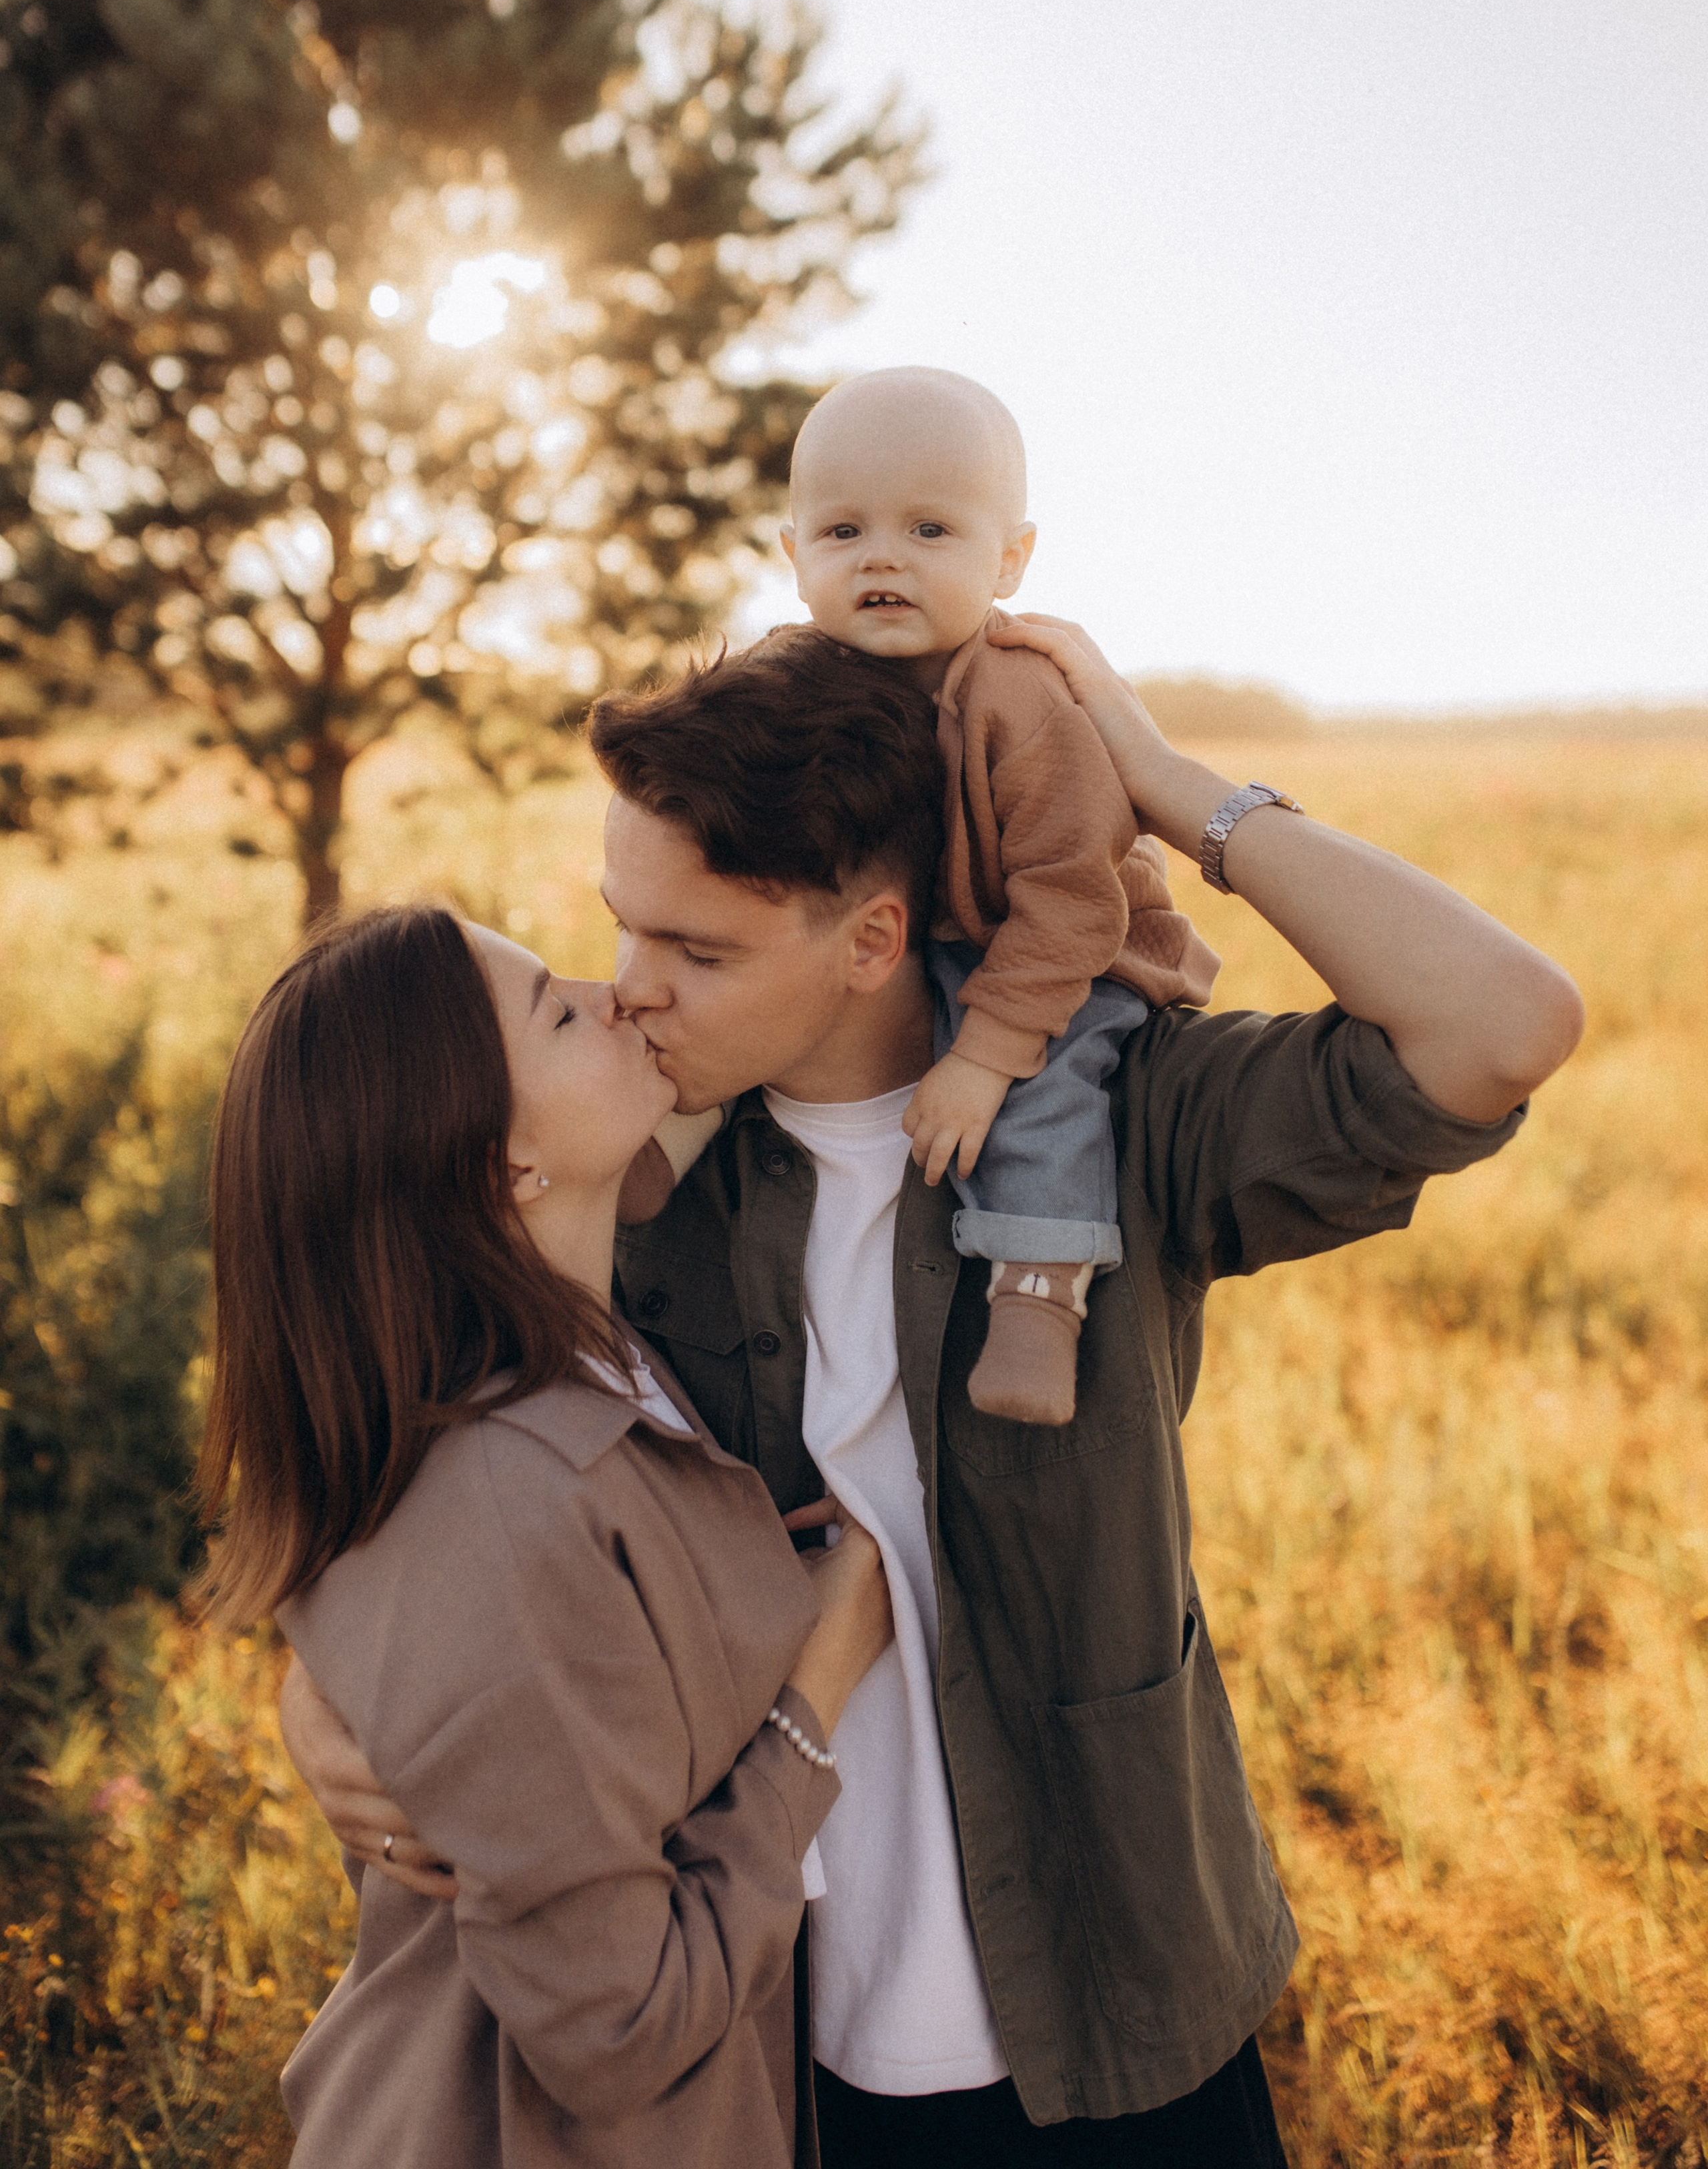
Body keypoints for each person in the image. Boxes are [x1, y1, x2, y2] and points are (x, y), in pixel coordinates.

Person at [284, 623, 1583, 2166]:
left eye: (696, 953)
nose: (631, 994)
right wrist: (325, 1700)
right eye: (622, 929)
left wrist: (1170, 790)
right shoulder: (627, 1184)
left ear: (873, 938)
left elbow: (1501, 1026)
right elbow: (410, 1446)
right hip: (780, 2037)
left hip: (1118, 1989)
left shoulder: (1116, 1117)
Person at [197, 901, 893, 2168]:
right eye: (560, 1009)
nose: (617, 989)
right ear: (499, 1166)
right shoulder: (503, 1513)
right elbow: (618, 2031)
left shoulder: (584, 1355)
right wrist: (816, 1690)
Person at [786, 366, 1220, 1425]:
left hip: (1073, 950)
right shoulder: (800, 680)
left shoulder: (1022, 697)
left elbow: (1076, 901)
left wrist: (982, 1059)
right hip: (925, 945)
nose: (883, 556)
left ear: (1009, 559)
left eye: (931, 530)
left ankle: (1041, 1291)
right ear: (793, 556)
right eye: (844, 532)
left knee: (1048, 1085)